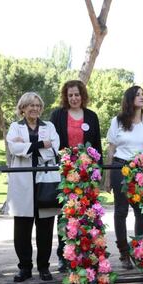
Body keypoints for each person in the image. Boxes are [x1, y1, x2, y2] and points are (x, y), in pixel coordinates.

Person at [6, 92, 60, 282]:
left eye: (38, 105)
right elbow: (14, 148)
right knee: (22, 228)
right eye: (31, 105)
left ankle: (44, 267)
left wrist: (27, 146)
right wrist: (38, 144)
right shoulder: (15, 127)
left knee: (45, 227)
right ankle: (25, 268)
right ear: (23, 108)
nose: (35, 108)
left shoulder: (49, 126)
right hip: (22, 179)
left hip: (44, 180)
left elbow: (53, 149)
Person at [50, 79, 102, 272]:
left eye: (77, 95)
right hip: (65, 172)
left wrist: (98, 172)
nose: (74, 98)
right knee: (65, 214)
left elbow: (96, 145)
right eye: (70, 95)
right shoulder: (57, 115)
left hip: (87, 173)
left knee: (87, 214)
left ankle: (86, 252)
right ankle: (64, 255)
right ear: (66, 96)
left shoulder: (91, 116)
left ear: (82, 96)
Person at [104, 85, 143, 269]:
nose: (142, 97)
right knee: (121, 211)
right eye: (137, 95)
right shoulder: (118, 121)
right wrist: (107, 177)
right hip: (120, 167)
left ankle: (140, 251)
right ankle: (124, 253)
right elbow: (111, 150)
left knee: (141, 212)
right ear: (129, 99)